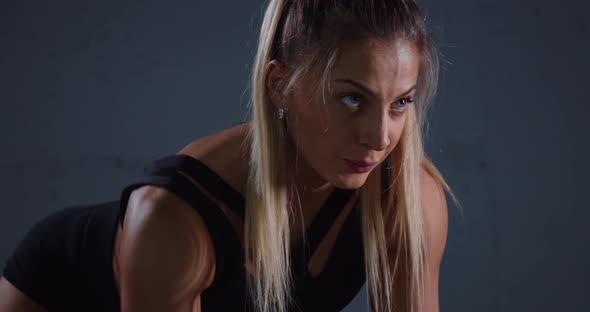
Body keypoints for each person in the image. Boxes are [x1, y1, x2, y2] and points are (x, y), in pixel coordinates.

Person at [0, 0, 459, 311]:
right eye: (352, 100)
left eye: (401, 102)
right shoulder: (175, 220)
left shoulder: (411, 201)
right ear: (280, 86)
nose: (381, 137)